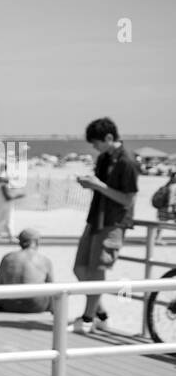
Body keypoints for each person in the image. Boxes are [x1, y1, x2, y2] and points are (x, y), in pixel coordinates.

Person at [72, 117, 139, 334]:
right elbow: (102, 188)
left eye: (96, 142)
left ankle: (88, 317)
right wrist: (90, 183)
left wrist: (98, 186)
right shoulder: (104, 158)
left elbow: (128, 200)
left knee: (96, 269)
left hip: (113, 221)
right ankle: (99, 314)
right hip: (96, 218)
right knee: (80, 269)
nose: (94, 147)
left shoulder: (126, 161)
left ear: (109, 138)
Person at [0, 228, 54, 312]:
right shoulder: (45, 260)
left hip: (9, 305)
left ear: (20, 242)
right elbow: (52, 288)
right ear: (37, 242)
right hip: (36, 306)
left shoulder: (8, 257)